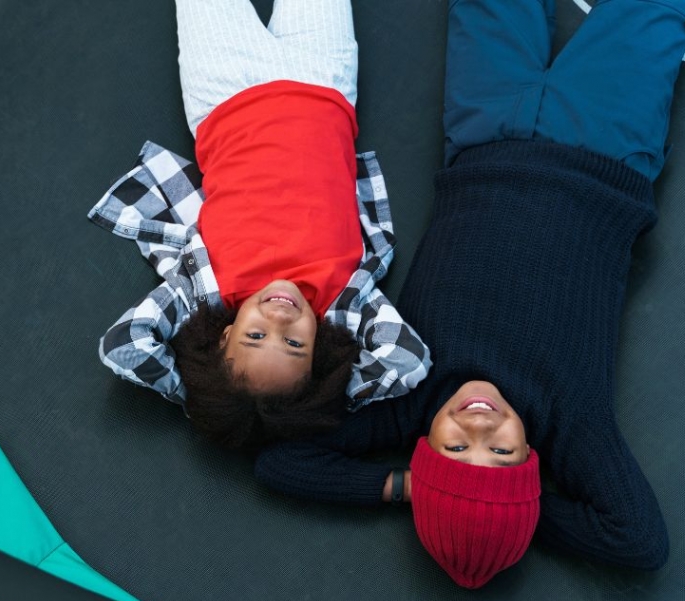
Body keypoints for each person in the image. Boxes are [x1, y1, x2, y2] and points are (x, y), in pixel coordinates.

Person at [256, 0, 685, 587]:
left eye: (454, 452)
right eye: (501, 456)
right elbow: (639, 540)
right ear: (530, 468)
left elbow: (278, 462)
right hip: (605, 142)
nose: (479, 430)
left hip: (486, 128)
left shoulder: (406, 399)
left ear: (423, 455)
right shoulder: (571, 424)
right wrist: (512, 510)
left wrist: (401, 488)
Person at [89, 0, 431, 449]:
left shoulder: (204, 289)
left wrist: (210, 396)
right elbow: (408, 362)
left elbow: (124, 345)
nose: (280, 318)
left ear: (226, 335)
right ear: (320, 354)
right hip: (324, 78)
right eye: (295, 345)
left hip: (224, 87)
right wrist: (320, 400)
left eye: (254, 335)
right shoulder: (343, 300)